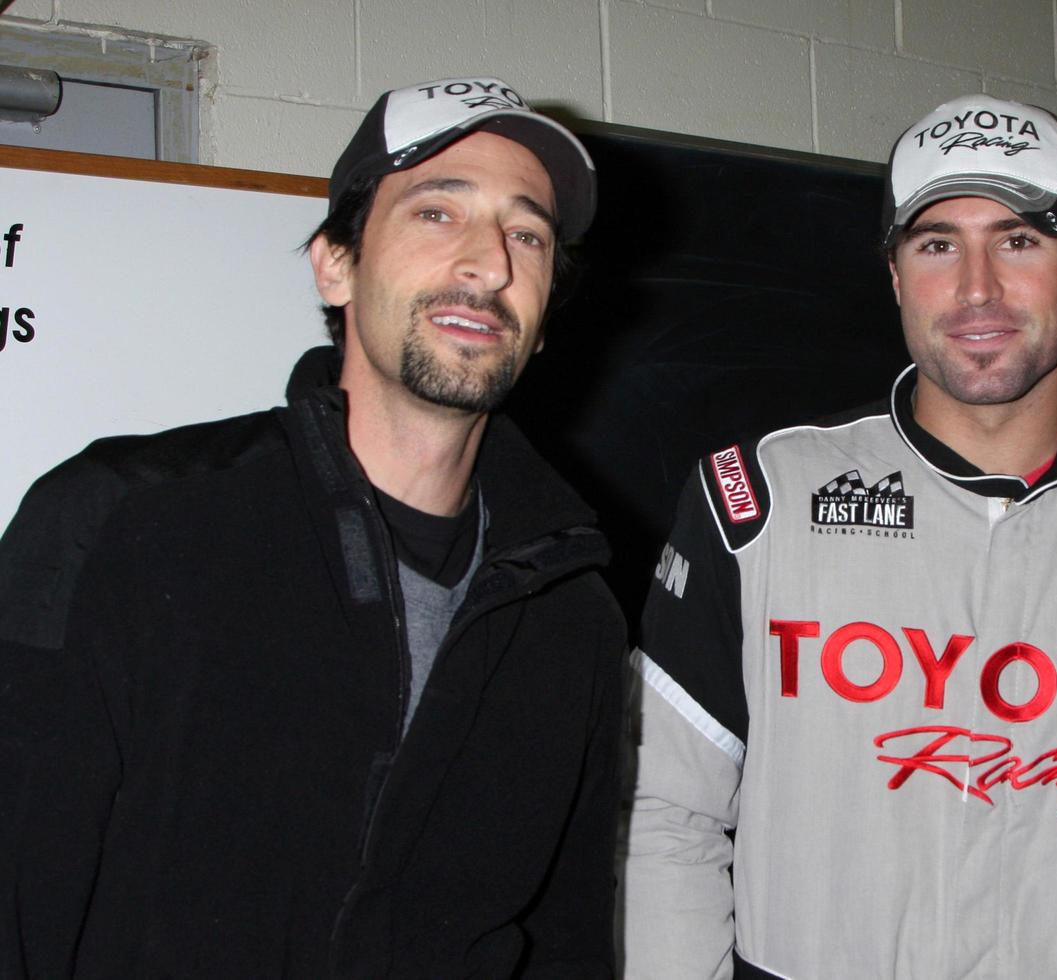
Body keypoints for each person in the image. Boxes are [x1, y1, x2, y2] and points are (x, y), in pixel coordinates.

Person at [0, 76, 625, 977]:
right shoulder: (121, 521)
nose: (490, 264)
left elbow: (564, 939)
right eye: (436, 213)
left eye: (525, 233)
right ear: (336, 263)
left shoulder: (574, 613)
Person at [620, 94, 1057, 979]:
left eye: (1018, 240)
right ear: (897, 275)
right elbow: (663, 813)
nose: (977, 287)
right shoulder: (758, 503)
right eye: (937, 244)